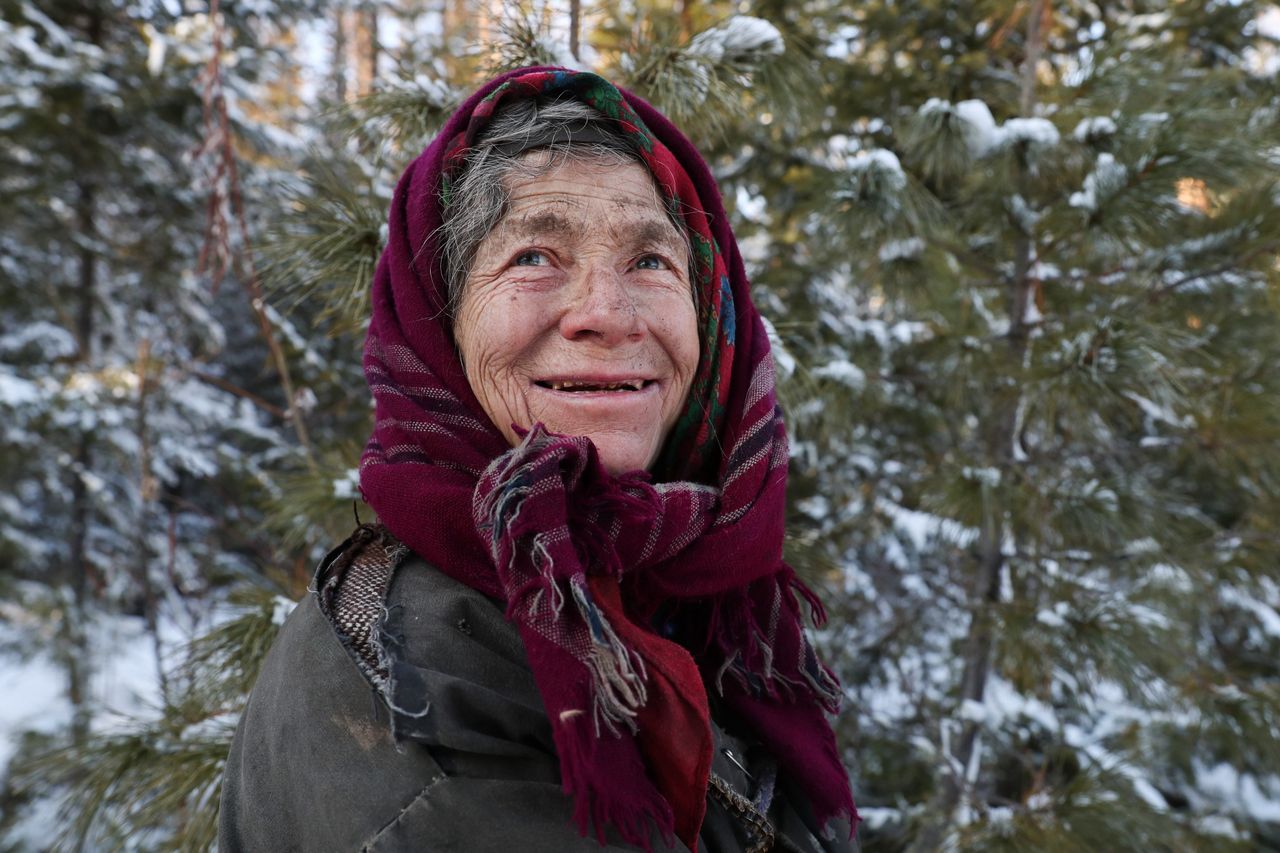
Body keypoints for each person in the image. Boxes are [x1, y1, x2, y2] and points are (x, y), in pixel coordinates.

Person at [218, 66, 859, 852]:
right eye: (533, 256)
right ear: (440, 320)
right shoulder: (423, 702)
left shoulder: (684, 595)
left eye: (649, 261)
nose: (604, 313)